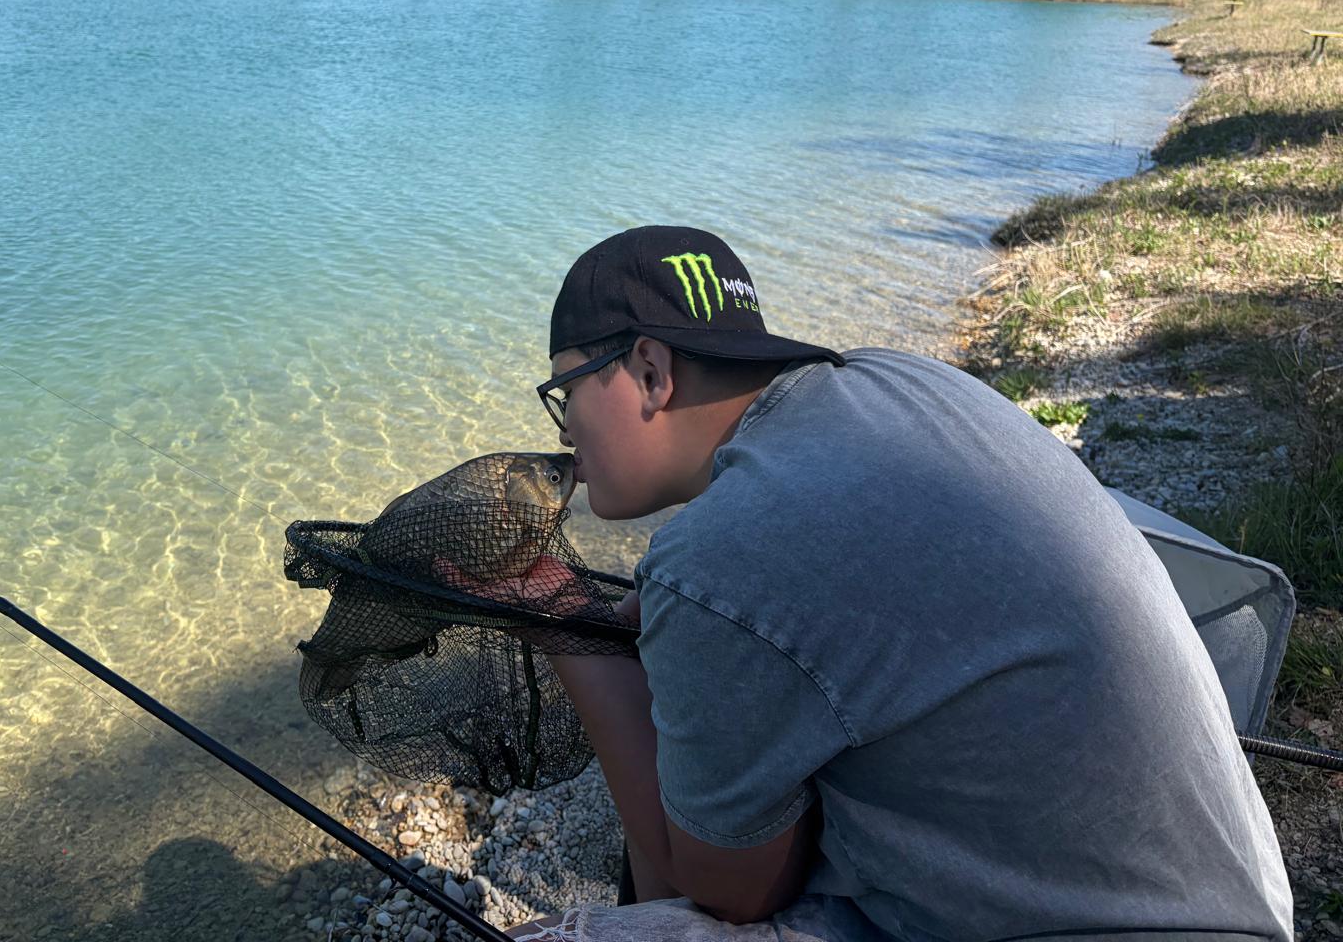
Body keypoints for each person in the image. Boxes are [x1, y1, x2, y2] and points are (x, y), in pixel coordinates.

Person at [497, 224, 1291, 942]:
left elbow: (723, 892)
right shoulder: (893, 382)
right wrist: (674, 625)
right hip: (1239, 900)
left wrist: (554, 616)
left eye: (567, 391)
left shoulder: (717, 556)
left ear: (649, 371)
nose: (563, 431)